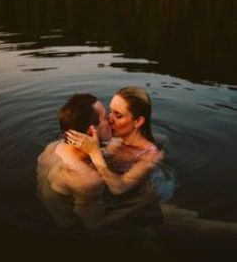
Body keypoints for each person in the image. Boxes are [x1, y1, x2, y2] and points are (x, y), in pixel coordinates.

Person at [37, 93, 155, 237]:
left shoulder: (53, 147)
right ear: (91, 132)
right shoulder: (87, 180)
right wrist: (139, 203)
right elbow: (94, 225)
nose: (111, 120)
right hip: (74, 230)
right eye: (105, 117)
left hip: (56, 210)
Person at [65, 86, 165, 240]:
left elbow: (119, 188)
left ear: (138, 121)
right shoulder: (116, 140)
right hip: (116, 204)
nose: (109, 119)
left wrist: (94, 152)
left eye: (118, 115)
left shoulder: (151, 155)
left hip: (146, 202)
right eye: (110, 111)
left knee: (186, 223)